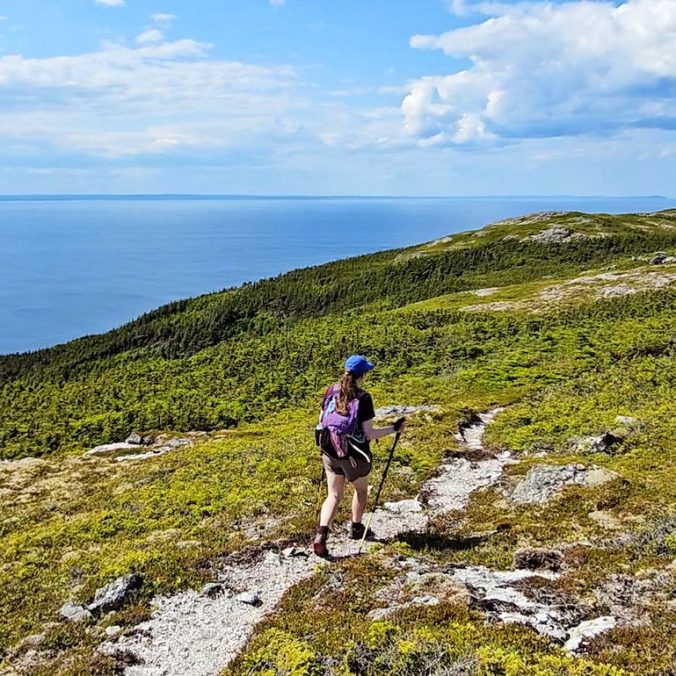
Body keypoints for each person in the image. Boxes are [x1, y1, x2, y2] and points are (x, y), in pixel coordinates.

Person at [313, 354, 405, 558]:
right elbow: (369, 434)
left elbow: (321, 420)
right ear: (362, 374)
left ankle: (321, 535)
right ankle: (355, 527)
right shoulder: (363, 398)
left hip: (329, 451)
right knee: (361, 490)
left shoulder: (331, 390)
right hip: (355, 455)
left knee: (334, 495)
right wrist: (393, 428)